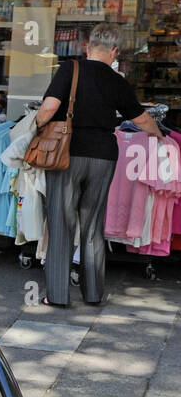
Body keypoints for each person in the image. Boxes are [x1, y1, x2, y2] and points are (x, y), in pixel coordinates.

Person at [33, 23, 163, 307]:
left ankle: (56, 295)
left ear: (87, 47)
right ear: (115, 51)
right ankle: (92, 294)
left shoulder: (70, 70)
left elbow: (49, 108)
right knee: (93, 226)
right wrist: (158, 134)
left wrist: (36, 127)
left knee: (61, 223)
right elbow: (141, 119)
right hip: (104, 157)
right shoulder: (118, 81)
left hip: (67, 155)